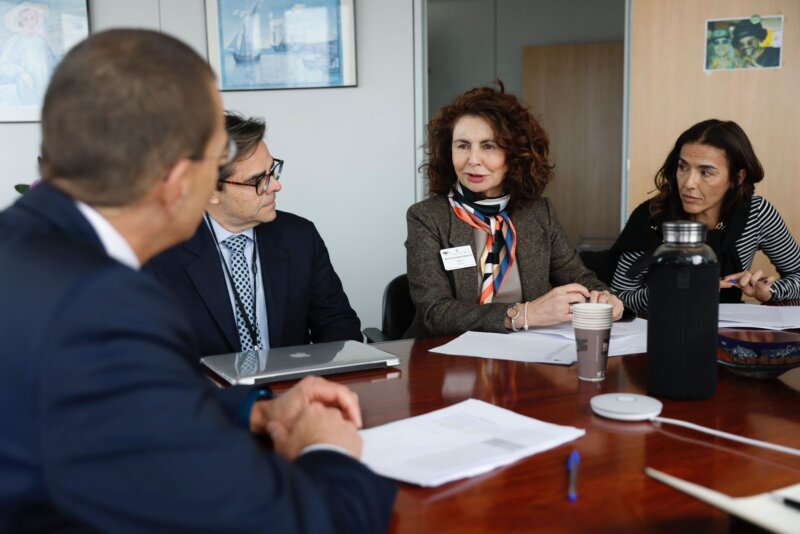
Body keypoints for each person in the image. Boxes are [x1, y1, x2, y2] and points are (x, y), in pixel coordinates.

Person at [0, 29, 395, 532]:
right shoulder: (101, 308)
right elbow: (291, 523)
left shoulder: (24, 244)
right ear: (177, 176)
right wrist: (327, 449)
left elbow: (134, 404)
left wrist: (254, 412)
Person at [405, 82, 624, 338]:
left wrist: (603, 296)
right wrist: (525, 314)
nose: (473, 160)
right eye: (462, 146)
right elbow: (435, 312)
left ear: (515, 154)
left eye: (489, 146)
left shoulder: (539, 213)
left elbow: (578, 277)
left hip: (525, 350)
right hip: (444, 353)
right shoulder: (427, 217)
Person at [145, 111, 362, 356]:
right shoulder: (157, 256)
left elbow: (338, 324)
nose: (276, 186)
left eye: (272, 171)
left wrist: (322, 375)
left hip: (293, 379)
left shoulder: (300, 237)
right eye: (258, 179)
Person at [610, 119, 800, 313]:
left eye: (706, 172)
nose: (689, 183)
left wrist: (771, 290)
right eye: (683, 167)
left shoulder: (756, 213)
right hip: (663, 325)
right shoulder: (652, 216)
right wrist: (675, 289)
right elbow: (620, 296)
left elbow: (797, 273)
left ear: (737, 178)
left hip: (728, 327)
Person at [0, 2, 55, 106]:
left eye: (32, 18)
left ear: (37, 19)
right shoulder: (15, 41)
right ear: (20, 21)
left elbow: (49, 61)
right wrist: (23, 74)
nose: (30, 21)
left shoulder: (41, 40)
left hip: (45, 84)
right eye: (26, 19)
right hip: (27, 86)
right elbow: (4, 64)